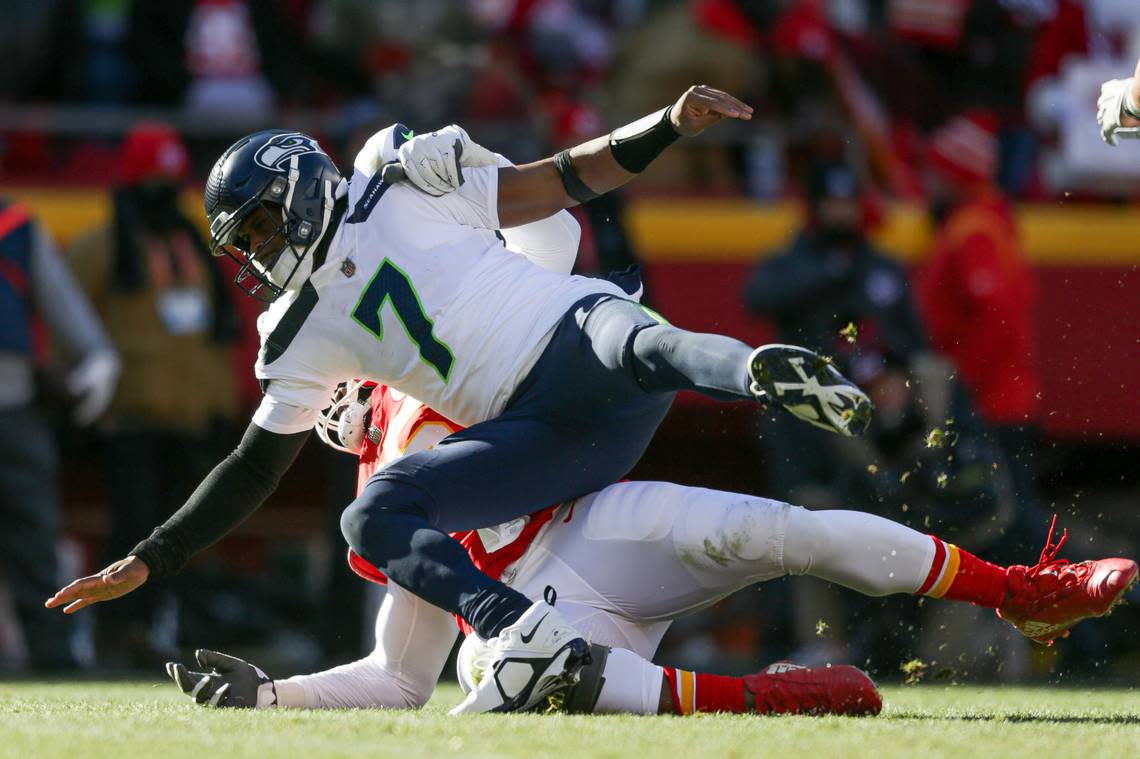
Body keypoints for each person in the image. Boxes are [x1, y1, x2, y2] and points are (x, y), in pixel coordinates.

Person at [47, 85, 879, 716]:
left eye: (264, 229)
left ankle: (757, 371)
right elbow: (257, 468)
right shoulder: (324, 351)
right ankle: (527, 633)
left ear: (301, 189)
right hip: (545, 440)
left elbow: (554, 190)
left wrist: (659, 128)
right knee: (376, 515)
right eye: (250, 245)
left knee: (631, 334)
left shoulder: (390, 183)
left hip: (557, 343)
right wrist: (157, 562)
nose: (262, 255)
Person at [161, 382, 1135, 713]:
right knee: (498, 670)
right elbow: (398, 674)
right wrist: (274, 695)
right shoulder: (377, 499)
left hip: (595, 529)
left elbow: (540, 239)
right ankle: (763, 701)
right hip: (554, 610)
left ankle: (1019, 587)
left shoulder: (460, 354)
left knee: (776, 529)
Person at [65, 123, 241, 666]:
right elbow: (65, 314)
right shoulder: (101, 247)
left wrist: (220, 403)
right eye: (154, 177)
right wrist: (77, 387)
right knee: (132, 523)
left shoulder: (193, 244)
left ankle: (165, 631)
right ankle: (118, 634)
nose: (163, 188)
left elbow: (213, 334)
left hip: (188, 417)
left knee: (180, 533)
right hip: (130, 419)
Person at [915, 110, 1044, 563]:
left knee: (1004, 524)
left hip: (990, 402)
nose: (926, 179)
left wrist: (963, 391)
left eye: (935, 169)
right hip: (1002, 396)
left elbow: (996, 315)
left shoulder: (973, 231)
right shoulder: (991, 221)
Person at [0, 198, 119, 670]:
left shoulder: (16, 226)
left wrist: (97, 355)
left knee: (35, 543)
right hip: (15, 410)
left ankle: (53, 659)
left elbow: (60, 297)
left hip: (12, 406)